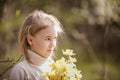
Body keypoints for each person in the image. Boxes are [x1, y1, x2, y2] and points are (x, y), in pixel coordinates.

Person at [9, 10, 63, 80]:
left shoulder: (54, 67)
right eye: (48, 39)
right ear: (30, 40)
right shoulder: (21, 71)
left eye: (55, 38)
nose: (53, 45)